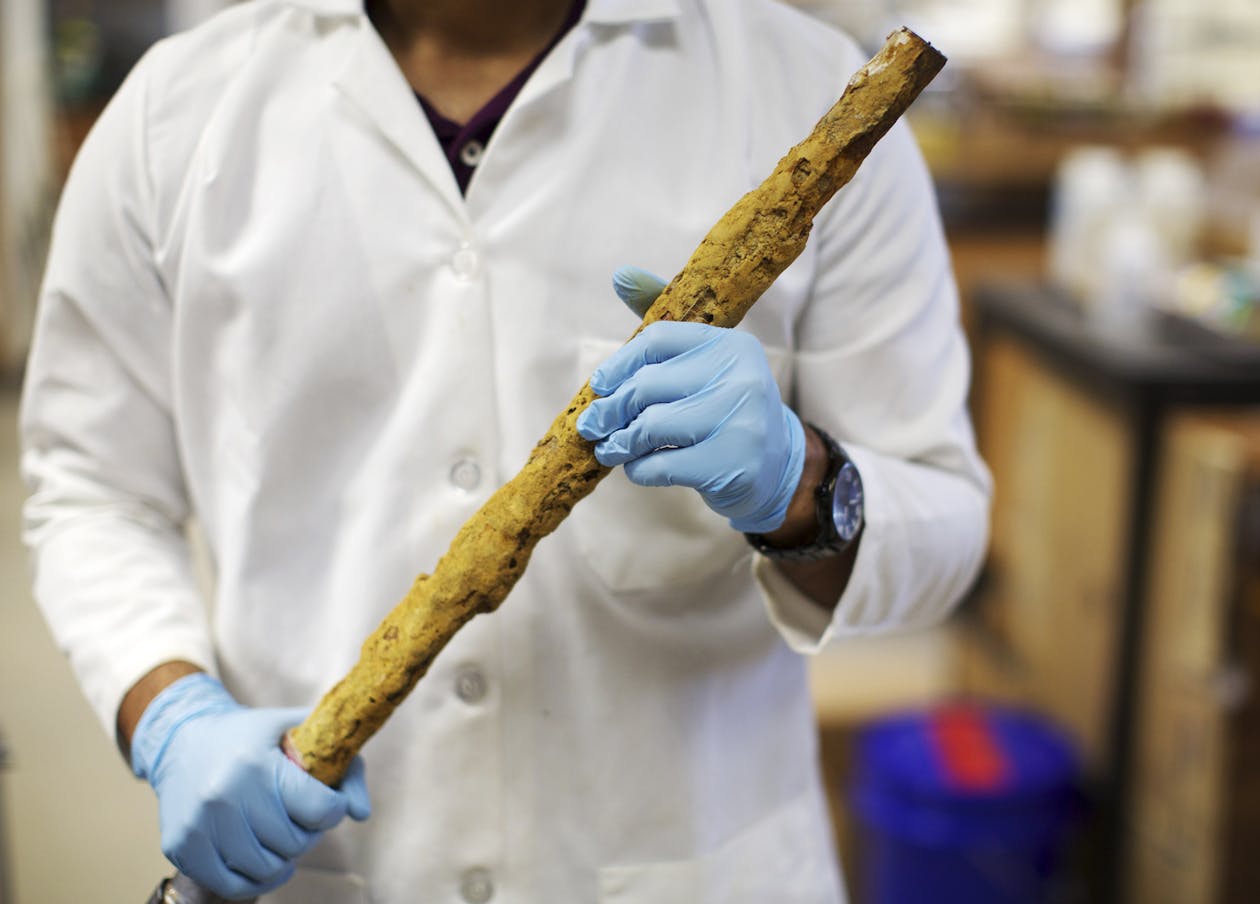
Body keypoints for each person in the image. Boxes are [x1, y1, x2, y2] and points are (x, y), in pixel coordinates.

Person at [19, 0, 991, 901]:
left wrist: (799, 486)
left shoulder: (798, 81)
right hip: (332, 863)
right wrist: (170, 713)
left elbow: (942, 523)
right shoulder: (172, 116)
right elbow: (91, 490)